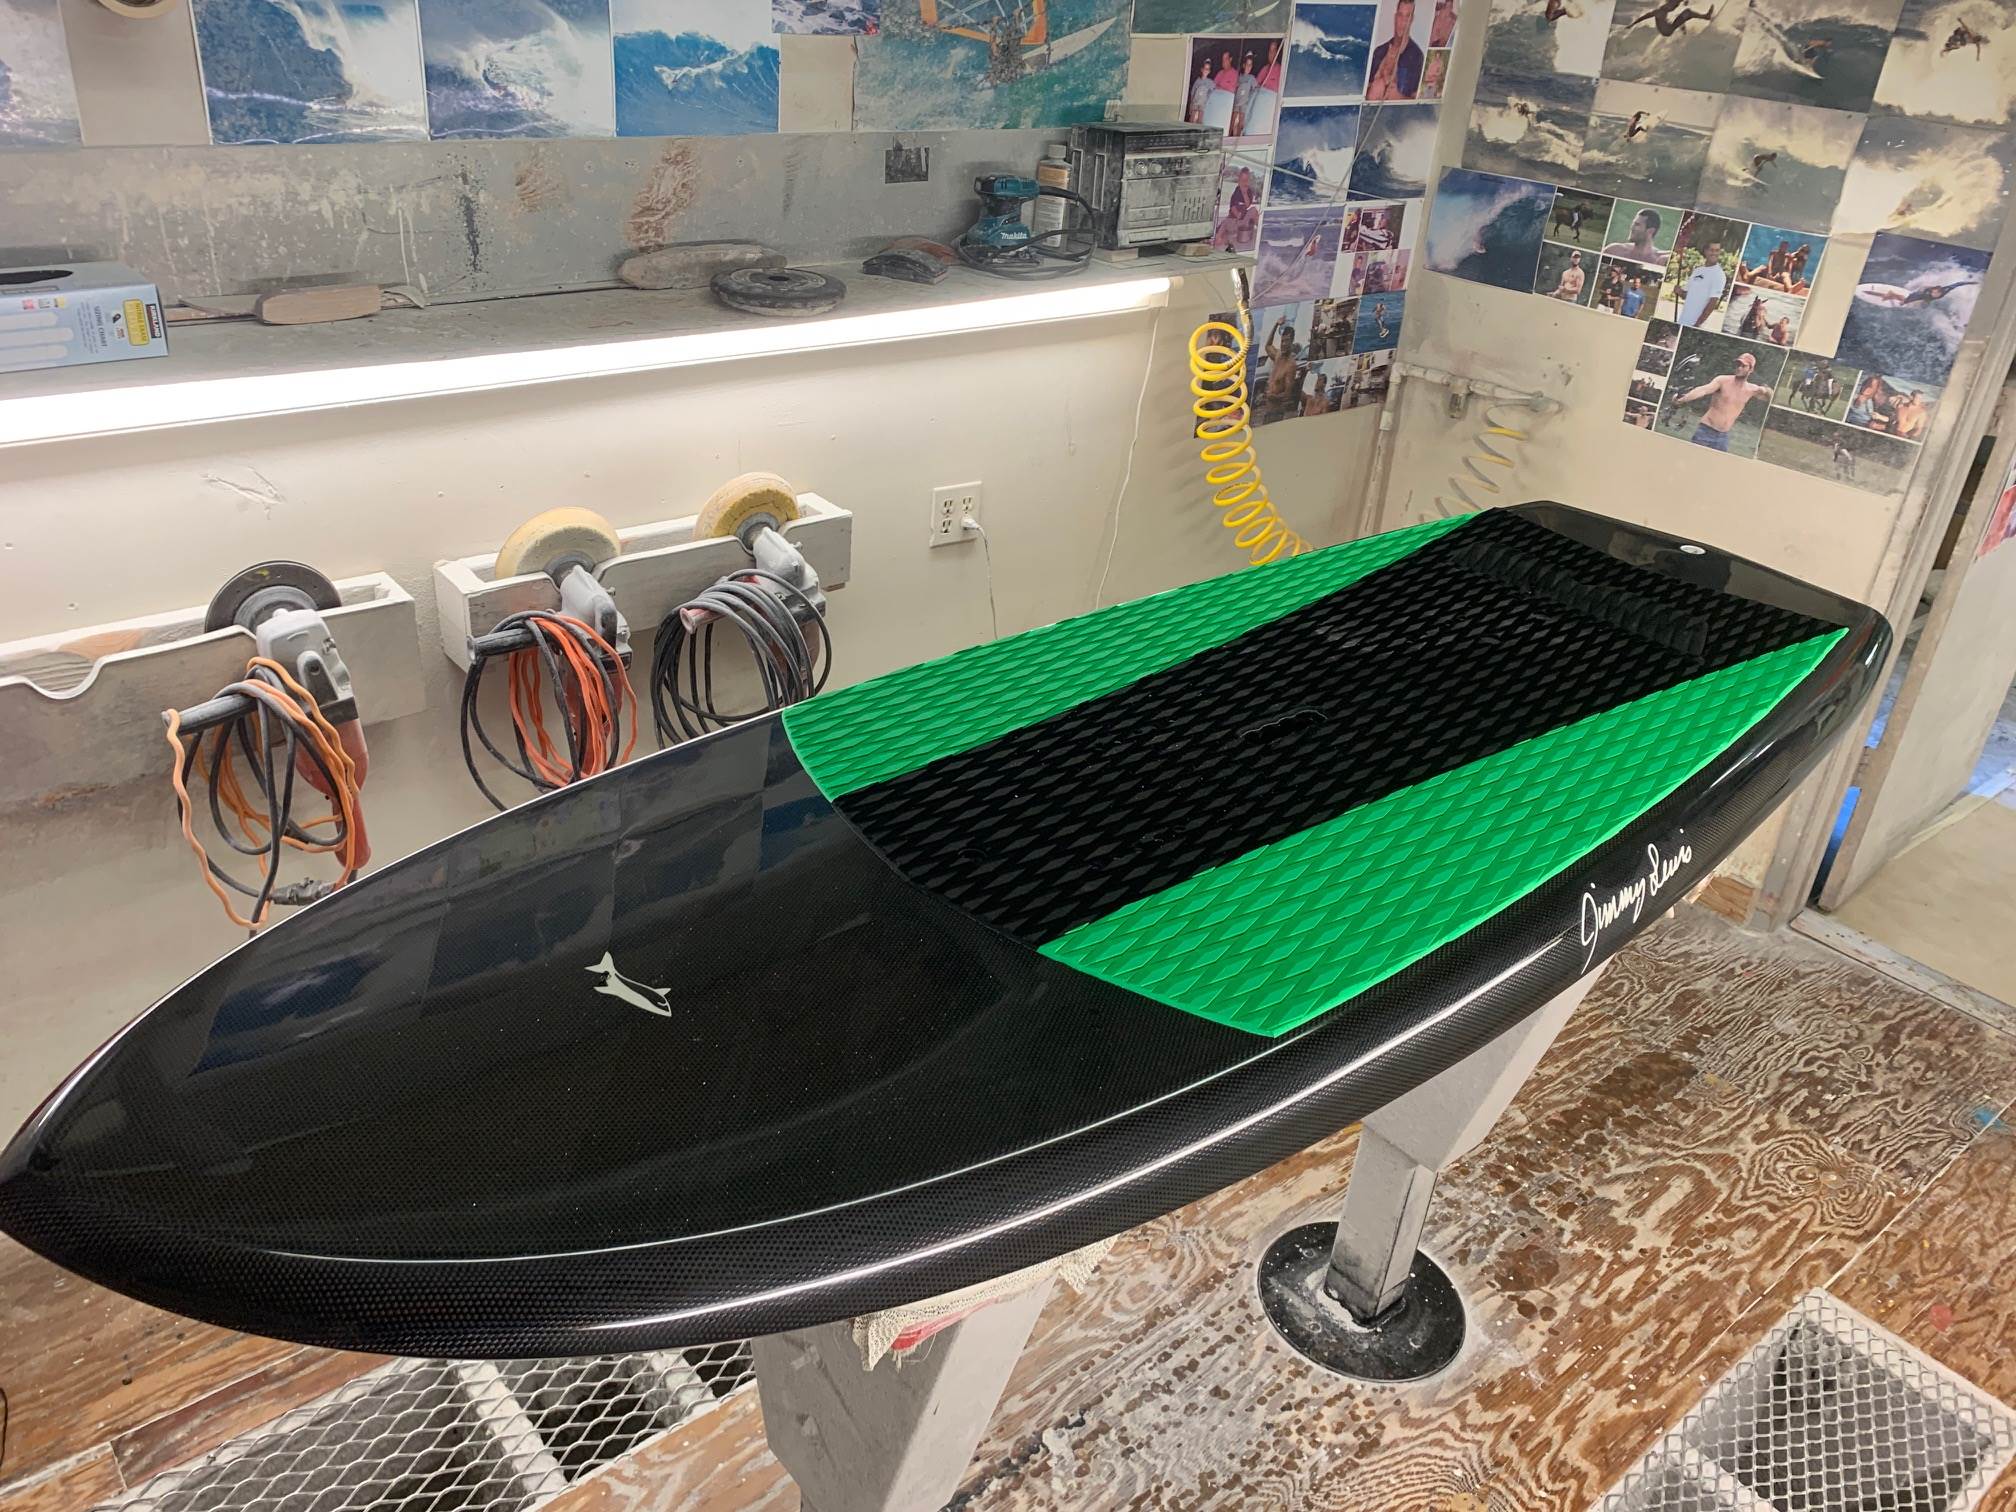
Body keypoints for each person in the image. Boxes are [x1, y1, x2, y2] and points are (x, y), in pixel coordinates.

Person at [1672, 349, 1769, 451]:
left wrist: (1766, 390)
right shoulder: (1722, 380)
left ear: (1751, 369)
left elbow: (1770, 397)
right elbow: (1703, 390)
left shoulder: (1752, 389)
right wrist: (1683, 399)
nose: (1739, 368)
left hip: (1723, 437)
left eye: (1743, 366)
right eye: (1738, 364)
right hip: (1705, 431)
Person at [1367, 0, 1425, 99]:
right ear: (1395, 17)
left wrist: (1398, 97)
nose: (1403, 22)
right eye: (1400, 15)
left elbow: (1417, 101)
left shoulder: (1417, 56)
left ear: (1411, 19)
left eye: (1407, 16)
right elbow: (1364, 90)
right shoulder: (1379, 52)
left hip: (1398, 109)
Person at [1678, 239, 1727, 327]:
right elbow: (1686, 295)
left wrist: (1697, 324)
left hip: (1695, 324)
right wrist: (1679, 291)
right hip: (1682, 320)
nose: (1714, 253)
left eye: (1717, 250)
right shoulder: (1697, 271)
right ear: (1705, 251)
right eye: (1712, 250)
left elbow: (1713, 303)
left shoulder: (1719, 274)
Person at [1624, 0, 1719, 36]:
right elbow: (1644, 17)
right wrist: (1632, 24)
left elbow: (1678, 18)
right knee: (1687, 12)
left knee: (1685, 14)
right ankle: (1706, 17)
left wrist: (1682, 29)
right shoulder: (1659, 12)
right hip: (1667, 30)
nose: (1675, 6)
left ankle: (1705, 17)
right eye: (1674, 5)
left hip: (1668, 28)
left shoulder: (1665, 10)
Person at [1233, 51, 1258, 137]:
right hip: (1236, 104)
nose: (1248, 67)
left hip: (1244, 105)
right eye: (1247, 65)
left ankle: (1239, 138)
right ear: (1243, 65)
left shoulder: (1251, 78)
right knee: (1233, 123)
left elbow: (1256, 89)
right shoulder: (1238, 77)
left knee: (1241, 124)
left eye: (1250, 65)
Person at [1187, 59, 1215, 124]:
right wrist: (1190, 107)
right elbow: (1192, 94)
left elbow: (1213, 90)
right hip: (1195, 104)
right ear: (1202, 69)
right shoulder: (1197, 81)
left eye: (1208, 69)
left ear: (1209, 71)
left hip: (1202, 106)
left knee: (1199, 121)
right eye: (1205, 68)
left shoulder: (1210, 82)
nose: (1206, 70)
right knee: (1192, 121)